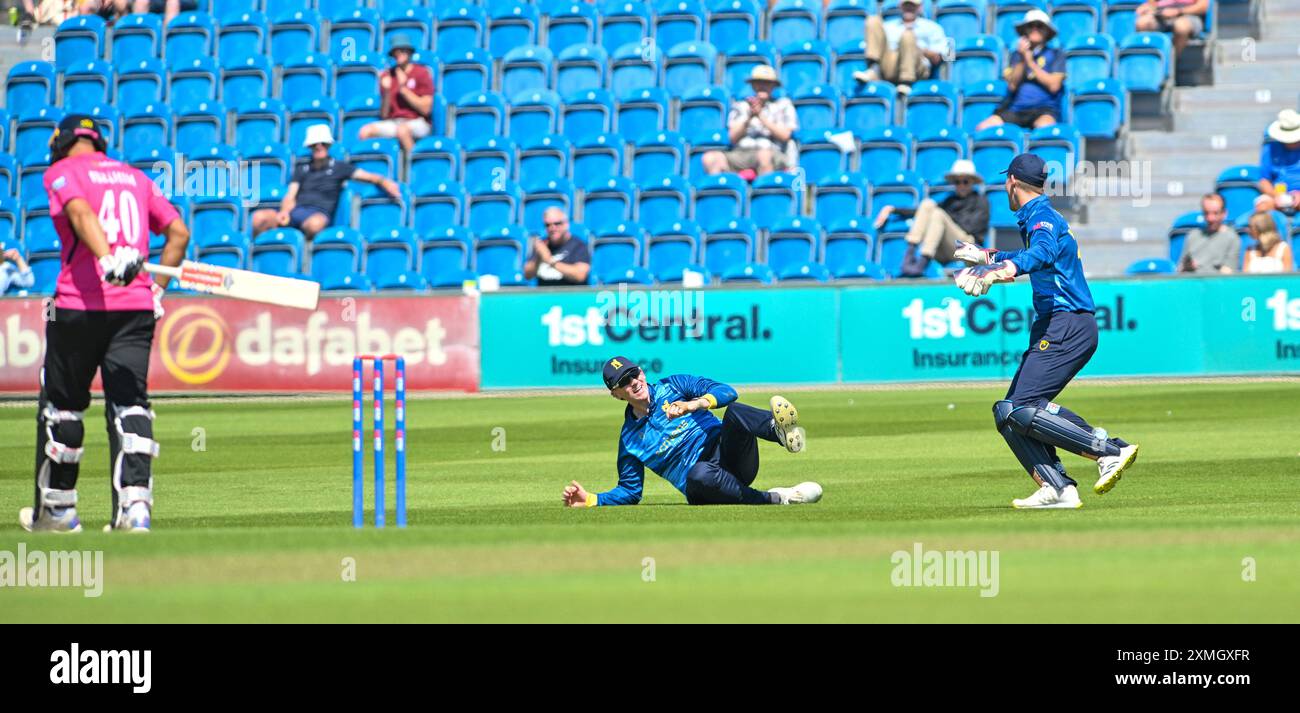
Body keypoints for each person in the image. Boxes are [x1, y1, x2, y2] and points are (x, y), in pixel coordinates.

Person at [20, 114, 190, 533]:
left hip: (78, 307)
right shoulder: (135, 177)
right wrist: (157, 290)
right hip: (135, 309)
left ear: (61, 143)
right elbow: (179, 233)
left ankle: (58, 511)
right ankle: (135, 510)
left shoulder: (61, 171)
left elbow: (79, 212)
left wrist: (106, 257)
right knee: (131, 405)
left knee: (63, 406)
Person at [953, 153, 1140, 510]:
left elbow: (1041, 252)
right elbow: (1036, 251)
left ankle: (1111, 449)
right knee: (1008, 413)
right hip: (1058, 323)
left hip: (1067, 322)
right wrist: (985, 257)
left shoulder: (1041, 217)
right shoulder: (1038, 215)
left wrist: (1000, 270)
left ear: (1011, 183)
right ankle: (1058, 488)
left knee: (1022, 407)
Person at [561, 358, 822, 507]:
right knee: (698, 474)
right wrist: (592, 499)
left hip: (732, 458)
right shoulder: (630, 440)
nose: (634, 383)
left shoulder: (674, 386)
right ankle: (778, 497)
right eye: (624, 383)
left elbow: (727, 391)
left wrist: (693, 404)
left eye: (634, 375)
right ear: (616, 394)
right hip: (703, 485)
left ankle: (778, 432)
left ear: (641, 372)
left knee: (734, 412)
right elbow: (630, 491)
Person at [250, 124, 403, 242]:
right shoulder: (302, 168)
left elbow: (367, 176)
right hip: (295, 212)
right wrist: (284, 212)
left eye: (323, 143)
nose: (319, 146)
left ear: (328, 145)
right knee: (259, 218)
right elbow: (291, 194)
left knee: (315, 225)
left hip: (318, 213)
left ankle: (302, 248)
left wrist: (384, 181)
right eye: (315, 144)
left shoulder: (339, 168)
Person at [896, 159, 990, 277]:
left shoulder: (981, 201)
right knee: (927, 204)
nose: (961, 185)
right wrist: (894, 209)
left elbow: (970, 228)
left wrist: (948, 217)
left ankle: (921, 263)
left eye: (965, 181)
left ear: (972, 183)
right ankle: (909, 255)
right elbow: (922, 211)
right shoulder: (950, 201)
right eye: (957, 182)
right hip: (945, 249)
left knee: (937, 214)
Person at [701, 65, 798, 178]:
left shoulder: (783, 105)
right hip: (742, 153)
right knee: (710, 158)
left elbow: (785, 136)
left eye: (767, 82)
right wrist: (749, 117)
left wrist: (761, 116)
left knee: (764, 156)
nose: (762, 86)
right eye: (758, 82)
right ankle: (719, 194)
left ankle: (765, 194)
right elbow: (732, 137)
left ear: (774, 86)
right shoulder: (740, 106)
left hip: (772, 151)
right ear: (752, 85)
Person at [976, 11, 1065, 131]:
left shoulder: (1056, 54)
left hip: (1044, 110)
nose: (1034, 29)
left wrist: (1030, 62)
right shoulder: (1016, 56)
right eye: (1030, 25)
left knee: (1046, 131)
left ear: (1047, 31)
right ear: (1024, 30)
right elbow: (1012, 85)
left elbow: (1054, 86)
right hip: (1016, 109)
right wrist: (1023, 59)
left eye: (1039, 25)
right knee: (983, 129)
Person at [358, 34, 435, 154]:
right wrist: (387, 92)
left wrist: (403, 90)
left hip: (418, 122)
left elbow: (426, 109)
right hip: (394, 122)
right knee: (365, 131)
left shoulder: (421, 73)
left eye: (402, 50)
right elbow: (384, 115)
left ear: (409, 52)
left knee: (402, 130)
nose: (399, 54)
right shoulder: (387, 76)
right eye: (396, 51)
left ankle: (413, 167)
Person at [851, 0, 950, 93]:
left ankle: (906, 82)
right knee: (873, 20)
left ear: (920, 7)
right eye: (906, 5)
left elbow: (944, 55)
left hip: (918, 66)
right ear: (900, 6)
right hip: (890, 65)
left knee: (908, 36)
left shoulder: (932, 27)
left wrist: (919, 50)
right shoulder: (889, 26)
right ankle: (873, 69)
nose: (909, 8)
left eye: (912, 5)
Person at [522, 207, 591, 286]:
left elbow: (580, 275)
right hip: (544, 296)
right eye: (548, 225)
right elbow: (527, 275)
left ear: (566, 224)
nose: (552, 228)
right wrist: (538, 258)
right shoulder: (542, 245)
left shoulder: (578, 246)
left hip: (570, 296)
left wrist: (550, 261)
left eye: (557, 223)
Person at [1178, 194, 1238, 274]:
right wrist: (1187, 266)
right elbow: (1180, 269)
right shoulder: (1193, 235)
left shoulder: (1232, 238)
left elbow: (1229, 272)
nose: (1210, 218)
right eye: (1206, 213)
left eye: (1215, 213)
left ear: (1224, 213)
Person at [1256, 109, 1300, 215]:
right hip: (1277, 195)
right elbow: (1264, 181)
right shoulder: (1270, 148)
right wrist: (1276, 196)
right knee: (1262, 208)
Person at [1135, 0, 1208, 55]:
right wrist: (1147, 8)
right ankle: (1148, 61)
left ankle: (1171, 62)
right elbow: (1152, 4)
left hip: (1188, 14)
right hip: (1162, 15)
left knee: (1181, 27)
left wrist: (1178, 11)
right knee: (1142, 23)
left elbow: (1203, 7)